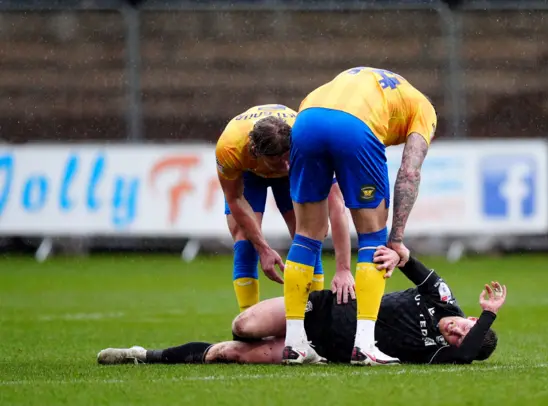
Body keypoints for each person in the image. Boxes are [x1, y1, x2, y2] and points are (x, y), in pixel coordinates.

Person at [97, 247, 506, 366]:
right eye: (461, 327)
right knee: (243, 325)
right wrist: (398, 254)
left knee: (230, 354)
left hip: (326, 350)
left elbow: (469, 352)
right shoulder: (443, 299)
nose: (453, 333)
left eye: (456, 339)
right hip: (325, 308)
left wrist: (491, 316)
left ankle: (141, 356)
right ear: (467, 316)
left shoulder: (443, 353)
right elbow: (411, 261)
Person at [281, 67, 438, 365]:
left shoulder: (375, 83)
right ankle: (364, 344)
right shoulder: (424, 110)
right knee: (373, 238)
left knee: (307, 235)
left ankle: (295, 343)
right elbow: (409, 171)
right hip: (355, 127)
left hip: (306, 119)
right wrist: (397, 240)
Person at [215, 104, 354, 314]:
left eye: (286, 156)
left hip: (298, 169)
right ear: (256, 151)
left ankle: (316, 319)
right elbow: (234, 198)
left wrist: (343, 267)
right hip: (249, 175)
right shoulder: (230, 148)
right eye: (276, 159)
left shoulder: (307, 141)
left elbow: (337, 205)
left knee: (311, 239)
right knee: (245, 243)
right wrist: (264, 249)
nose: (284, 164)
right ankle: (248, 322)